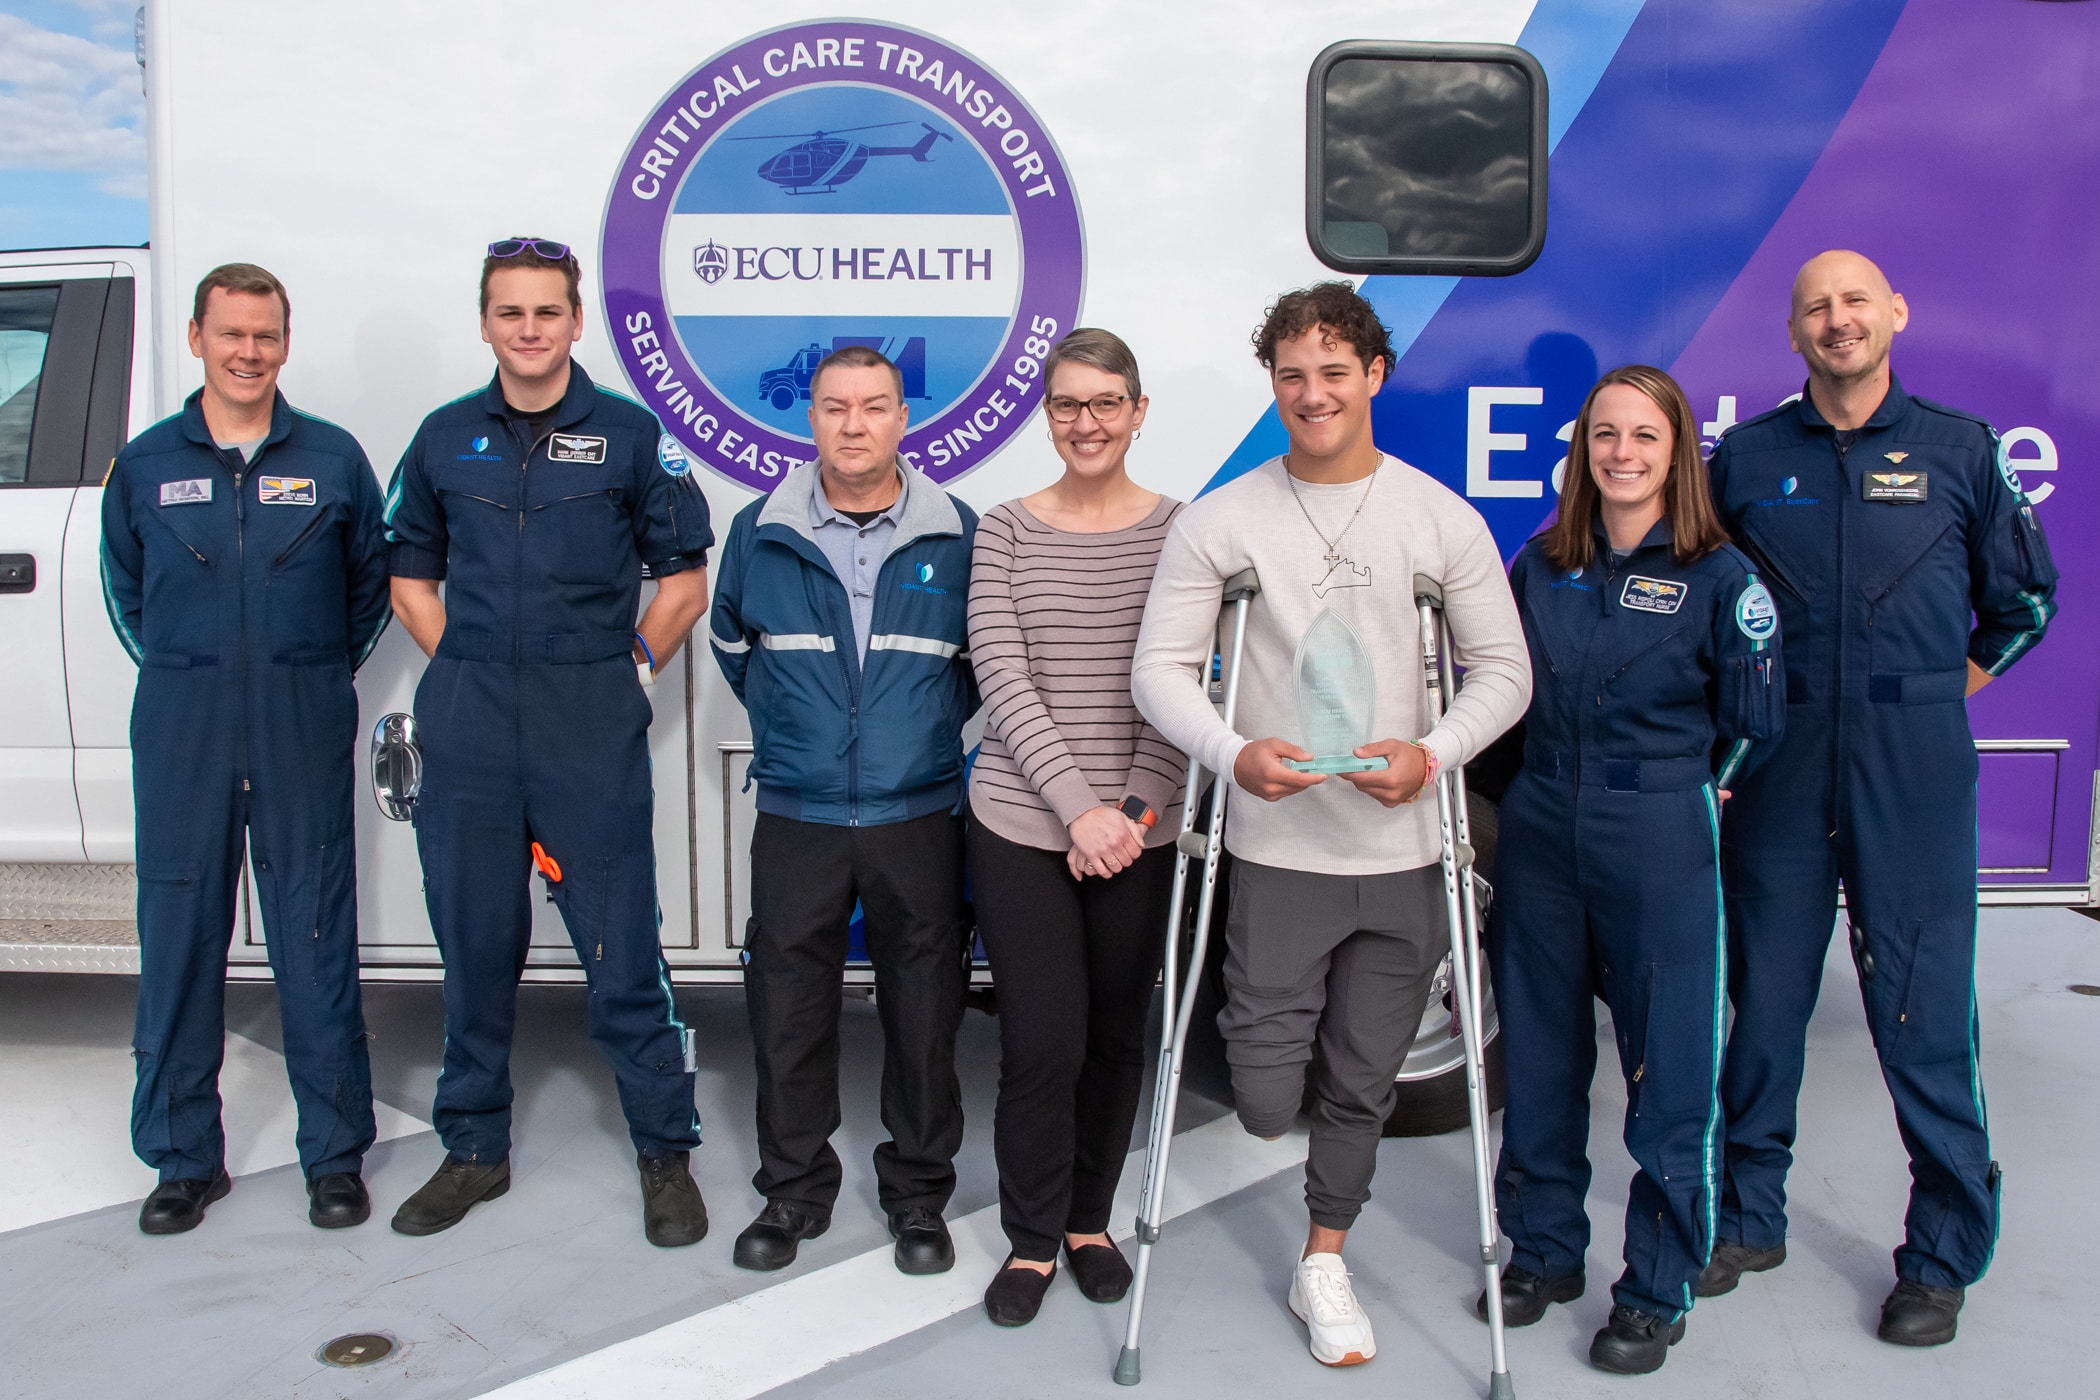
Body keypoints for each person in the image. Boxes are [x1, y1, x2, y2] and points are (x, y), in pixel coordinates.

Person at [1131, 283, 1530, 1368]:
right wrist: (1232, 752)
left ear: (1374, 376)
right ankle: (1298, 1158)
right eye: (1293, 374)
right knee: (1266, 1092)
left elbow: (1504, 669)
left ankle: (1324, 1257)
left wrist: (1435, 753)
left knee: (1363, 1076)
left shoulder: (1440, 518)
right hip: (1278, 853)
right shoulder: (1226, 517)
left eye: (1334, 371)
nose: (1314, 393)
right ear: (1275, 383)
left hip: (1402, 853)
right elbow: (1158, 669)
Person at [1703, 250, 2057, 1346]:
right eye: (1817, 305)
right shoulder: (1749, 458)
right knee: (1761, 1005)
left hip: (1913, 770)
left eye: (1856, 300)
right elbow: (1709, 604)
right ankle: (1748, 1213)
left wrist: (1928, 691)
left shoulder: (1959, 449)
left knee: (1924, 1009)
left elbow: (2026, 601)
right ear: (1794, 331)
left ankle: (1942, 1251)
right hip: (1780, 763)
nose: (1838, 318)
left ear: (1895, 313)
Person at [383, 238, 713, 1246]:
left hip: (588, 717)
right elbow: (409, 581)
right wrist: (471, 667)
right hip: (473, 717)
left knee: (621, 953)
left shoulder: (628, 435)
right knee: (475, 947)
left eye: (546, 311)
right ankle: (475, 1148)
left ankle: (665, 1148)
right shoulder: (442, 438)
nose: (529, 328)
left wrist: (629, 670)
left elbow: (684, 580)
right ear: (486, 323)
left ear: (576, 323)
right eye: (510, 312)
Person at [1482, 366, 1784, 1375]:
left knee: (1669, 1069)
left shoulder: (1720, 578)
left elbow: (1755, 726)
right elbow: (1502, 691)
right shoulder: (1543, 562)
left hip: (1656, 827)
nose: (1620, 453)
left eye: (1643, 437)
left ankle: (1656, 1284)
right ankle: (1542, 1251)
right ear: (1582, 451)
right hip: (1541, 822)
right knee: (1539, 1048)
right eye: (1604, 434)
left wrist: (1694, 796)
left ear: (1678, 451)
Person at [101, 263, 390, 1235]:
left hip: (301, 722)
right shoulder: (143, 465)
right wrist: (203, 674)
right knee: (179, 942)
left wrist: (298, 673)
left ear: (284, 342)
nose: (248, 351)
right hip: (182, 728)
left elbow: (367, 594)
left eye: (265, 334)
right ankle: (184, 1158)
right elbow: (126, 596)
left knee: (314, 939)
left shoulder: (336, 459)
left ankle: (334, 1155)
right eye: (231, 333)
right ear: (196, 338)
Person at [708, 344, 978, 1277]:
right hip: (799, 811)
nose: (854, 425)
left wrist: (912, 740)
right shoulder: (759, 530)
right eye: (834, 407)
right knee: (786, 1007)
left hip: (919, 814)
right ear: (809, 418)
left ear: (905, 419)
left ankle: (917, 1197)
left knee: (925, 1009)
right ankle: (792, 1191)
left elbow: (978, 672)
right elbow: (734, 648)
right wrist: (800, 733)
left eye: (873, 407)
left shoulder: (960, 533)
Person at [966, 329, 1186, 1326]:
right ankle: (1029, 1235)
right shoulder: (1005, 531)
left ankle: (1090, 1220)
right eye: (1067, 404)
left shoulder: (1187, 532)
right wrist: (1078, 810)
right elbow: (1002, 680)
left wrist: (1130, 814)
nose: (1086, 422)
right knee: (1040, 1040)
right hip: (1022, 822)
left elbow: (1181, 689)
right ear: (1045, 414)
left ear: (1138, 411)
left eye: (1105, 402)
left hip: (1136, 829)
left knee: (1112, 1033)